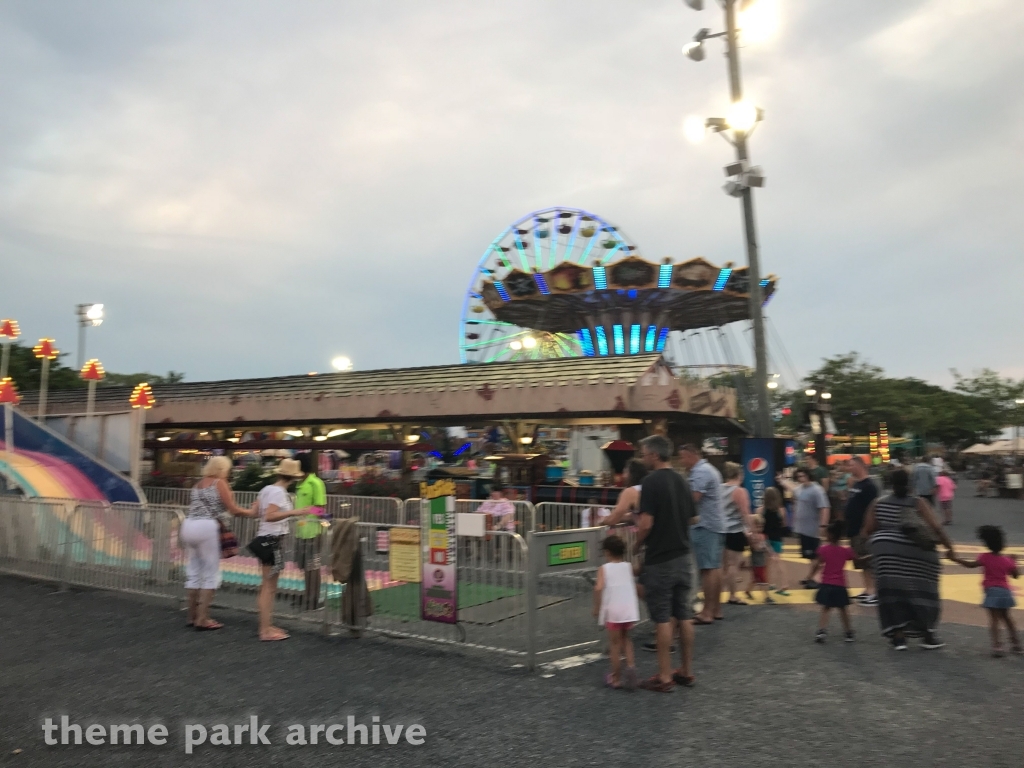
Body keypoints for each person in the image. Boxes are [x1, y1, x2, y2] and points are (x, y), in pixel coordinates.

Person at [862, 468, 957, 651]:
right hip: (918, 553)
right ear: (910, 483)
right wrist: (950, 549)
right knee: (925, 590)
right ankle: (928, 634)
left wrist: (877, 548)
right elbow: (936, 528)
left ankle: (898, 637)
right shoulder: (917, 502)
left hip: (885, 552)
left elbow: (867, 530)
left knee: (891, 593)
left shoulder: (878, 503)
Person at [635, 435, 696, 692]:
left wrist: (636, 545)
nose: (643, 457)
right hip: (684, 555)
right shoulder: (682, 480)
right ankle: (686, 671)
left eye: (645, 453)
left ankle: (664, 676)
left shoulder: (650, 482)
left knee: (661, 617)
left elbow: (646, 523)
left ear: (654, 455)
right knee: (683, 614)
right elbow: (694, 518)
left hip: (660, 558)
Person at [180, 456, 256, 630]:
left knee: (194, 572)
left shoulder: (197, 485)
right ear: (222, 469)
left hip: (189, 525)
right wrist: (252, 512)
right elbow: (233, 510)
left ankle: (191, 616)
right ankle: (203, 618)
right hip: (206, 527)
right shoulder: (219, 483)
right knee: (210, 573)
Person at [251, 459, 308, 641]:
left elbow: (256, 512)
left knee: (267, 586)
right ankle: (265, 629)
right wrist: (294, 512)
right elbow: (270, 516)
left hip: (265, 539)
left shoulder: (266, 489)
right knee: (269, 587)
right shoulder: (279, 493)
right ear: (293, 478)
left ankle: (267, 625)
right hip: (272, 540)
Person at [952, 526, 1020, 657]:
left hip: (992, 591)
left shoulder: (985, 557)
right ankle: (1016, 644)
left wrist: (956, 559)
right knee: (1007, 618)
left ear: (987, 543)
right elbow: (1016, 575)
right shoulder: (1006, 560)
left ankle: (997, 646)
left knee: (994, 619)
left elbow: (970, 565)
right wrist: (1014, 561)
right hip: (1005, 592)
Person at [679, 443, 725, 624]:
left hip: (705, 525)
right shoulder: (710, 469)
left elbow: (693, 499)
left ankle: (707, 612)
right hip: (716, 524)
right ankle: (716, 609)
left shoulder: (700, 472)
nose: (682, 462)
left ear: (691, 455)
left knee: (707, 569)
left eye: (683, 457)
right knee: (715, 567)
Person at [593, 535, 640, 688]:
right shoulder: (628, 566)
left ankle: (616, 677)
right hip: (628, 610)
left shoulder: (604, 569)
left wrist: (597, 607)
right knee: (626, 640)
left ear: (607, 552)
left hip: (613, 610)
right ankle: (631, 668)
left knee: (614, 644)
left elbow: (599, 588)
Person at [811, 520, 856, 644]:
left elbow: (817, 564)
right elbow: (857, 559)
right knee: (843, 609)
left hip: (826, 583)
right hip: (840, 584)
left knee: (826, 608)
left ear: (830, 535)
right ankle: (848, 632)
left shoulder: (823, 549)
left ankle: (821, 631)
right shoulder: (846, 551)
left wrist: (810, 575)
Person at [293, 453, 328, 611]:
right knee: (305, 566)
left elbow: (321, 508)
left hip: (313, 531)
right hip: (301, 531)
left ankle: (314, 599)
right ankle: (308, 596)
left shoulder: (315, 483)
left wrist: (308, 510)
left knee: (313, 566)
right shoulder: (299, 484)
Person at [845, 457, 879, 606]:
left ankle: (874, 591)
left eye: (851, 465)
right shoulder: (856, 484)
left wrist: (868, 528)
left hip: (863, 529)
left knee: (867, 560)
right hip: (853, 528)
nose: (849, 468)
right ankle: (868, 588)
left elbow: (872, 509)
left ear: (859, 466)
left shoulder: (869, 486)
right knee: (860, 561)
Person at [720, 462, 754, 606]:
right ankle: (732, 595)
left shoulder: (719, 488)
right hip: (735, 530)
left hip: (720, 530)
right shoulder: (740, 491)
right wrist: (752, 530)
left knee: (723, 566)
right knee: (734, 565)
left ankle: (713, 593)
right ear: (740, 475)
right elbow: (744, 513)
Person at [792, 468, 830, 588]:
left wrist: (823, 525)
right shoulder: (800, 489)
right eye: (798, 477)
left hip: (813, 528)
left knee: (815, 556)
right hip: (803, 528)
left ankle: (815, 578)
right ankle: (811, 577)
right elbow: (792, 489)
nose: (800, 479)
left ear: (808, 476)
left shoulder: (817, 490)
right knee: (809, 555)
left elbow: (824, 508)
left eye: (802, 476)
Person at [757, 486, 790, 596]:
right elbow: (784, 524)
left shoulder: (761, 510)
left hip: (766, 538)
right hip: (777, 538)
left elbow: (758, 523)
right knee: (778, 561)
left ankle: (769, 582)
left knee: (767, 562)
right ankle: (784, 584)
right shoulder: (781, 510)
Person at [602, 459, 648, 528]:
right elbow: (638, 515)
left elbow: (613, 519)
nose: (623, 476)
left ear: (632, 474)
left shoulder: (630, 492)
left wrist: (601, 521)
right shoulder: (648, 488)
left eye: (625, 472)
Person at [745, 515, 773, 604]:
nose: (760, 528)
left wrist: (770, 552)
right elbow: (755, 548)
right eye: (757, 526)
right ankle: (766, 596)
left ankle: (748, 591)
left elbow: (767, 546)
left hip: (761, 561)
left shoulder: (763, 536)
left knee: (755, 579)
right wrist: (762, 547)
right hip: (756, 561)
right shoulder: (752, 536)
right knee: (762, 579)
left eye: (761, 526)